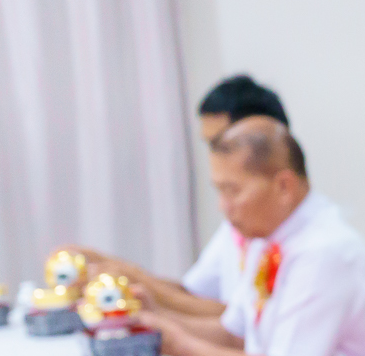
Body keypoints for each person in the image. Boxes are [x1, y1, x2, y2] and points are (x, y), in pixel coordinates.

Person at [142, 117, 365, 356]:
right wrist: (153, 319)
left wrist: (175, 344)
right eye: (219, 190)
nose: (223, 207)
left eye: (233, 190)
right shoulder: (266, 241)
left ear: (283, 186)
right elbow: (233, 334)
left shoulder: (325, 251)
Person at [76, 74, 290, 318]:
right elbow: (192, 295)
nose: (214, 158)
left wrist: (137, 283)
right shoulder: (240, 226)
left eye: (221, 144)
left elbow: (241, 324)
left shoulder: (299, 242)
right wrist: (111, 268)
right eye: (209, 145)